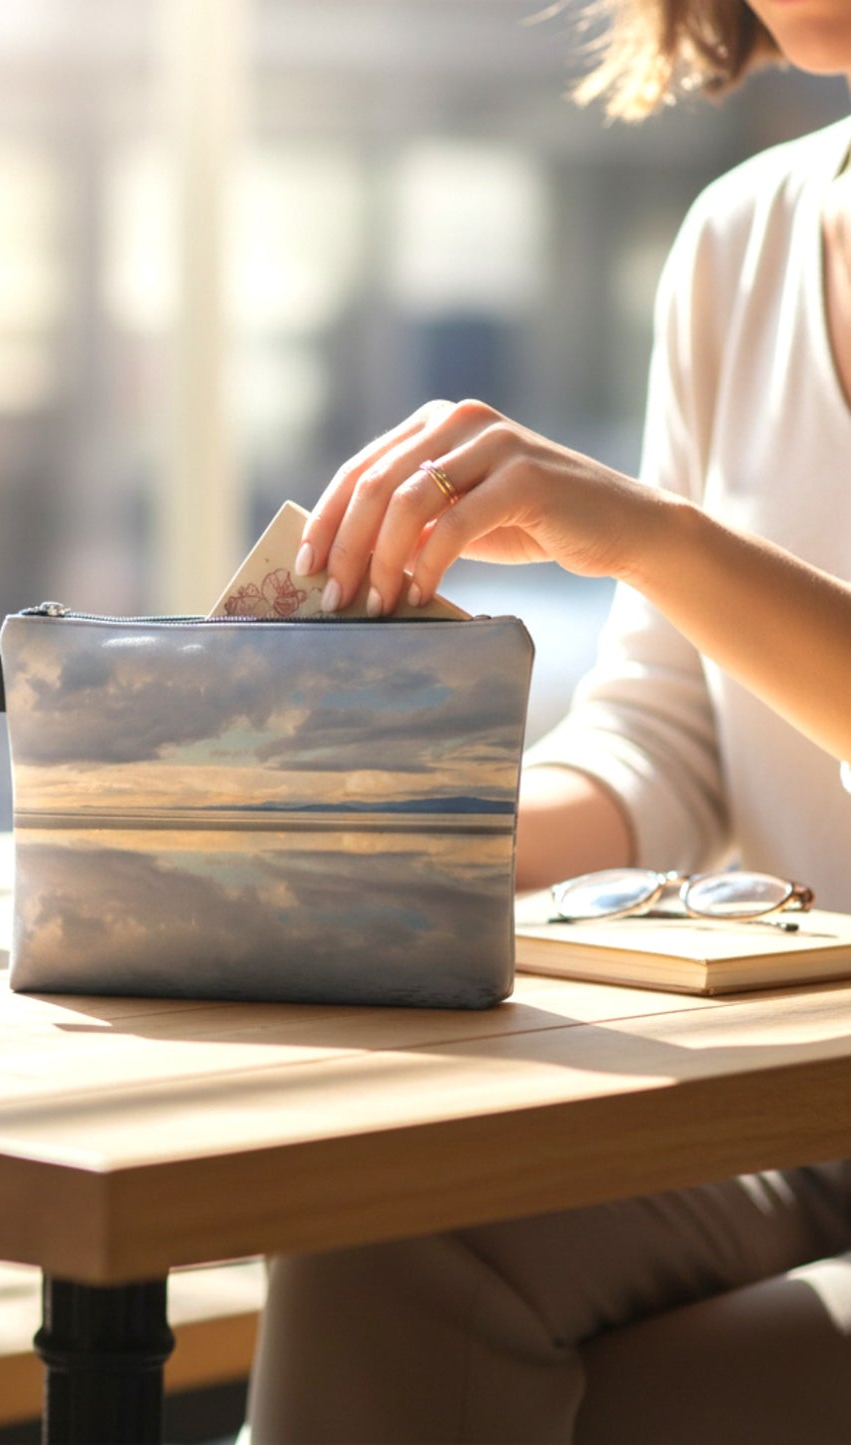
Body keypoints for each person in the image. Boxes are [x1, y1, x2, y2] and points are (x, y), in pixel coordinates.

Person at [244, 2, 851, 1440]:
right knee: (376, 1219)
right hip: (793, 1104)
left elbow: (677, 596)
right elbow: (665, 744)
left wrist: (654, 540)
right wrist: (377, 835)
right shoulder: (740, 238)